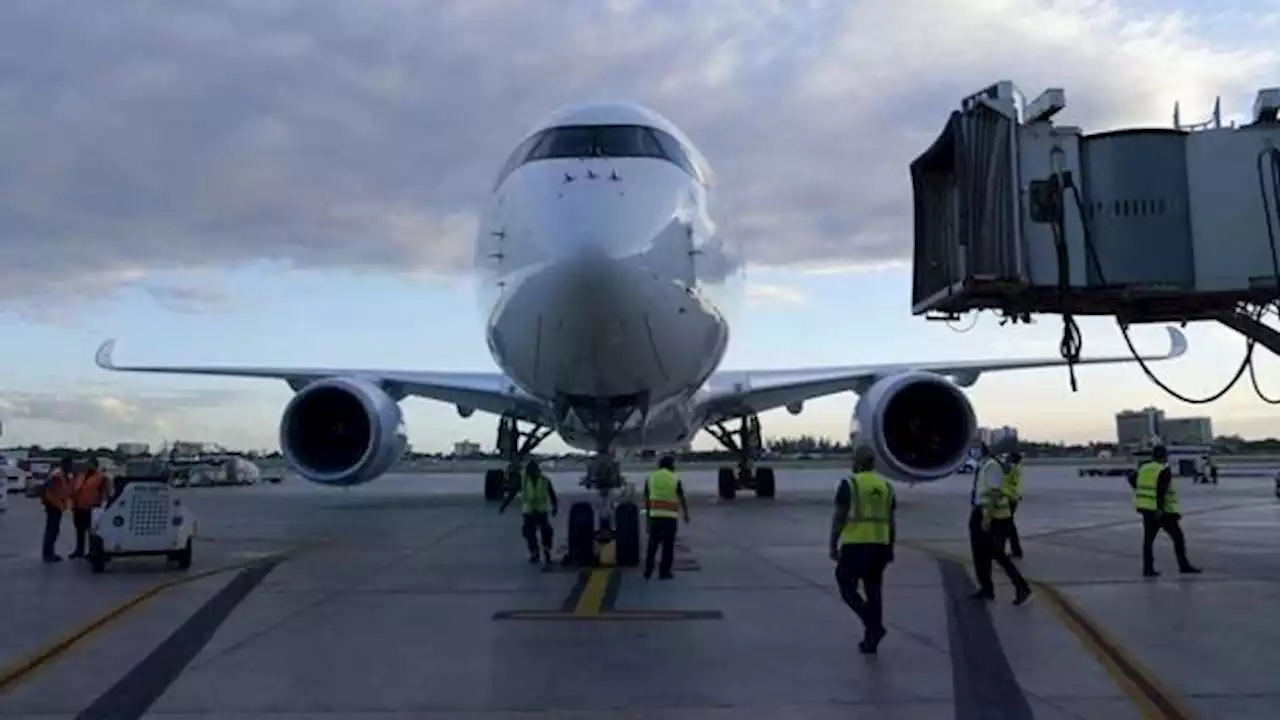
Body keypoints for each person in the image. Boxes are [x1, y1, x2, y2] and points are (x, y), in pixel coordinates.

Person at [830, 445, 896, 654]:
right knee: (874, 591)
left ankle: (873, 625)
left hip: (857, 544)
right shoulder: (886, 486)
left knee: (845, 584)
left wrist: (833, 543)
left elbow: (839, 516)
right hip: (881, 545)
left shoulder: (850, 484)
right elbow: (891, 521)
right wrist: (890, 547)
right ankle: (871, 640)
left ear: (857, 462)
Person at [969, 443, 1031, 605]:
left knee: (997, 554)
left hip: (992, 515)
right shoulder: (985, 465)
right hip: (980, 510)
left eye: (974, 448)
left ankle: (1022, 587)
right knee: (980, 553)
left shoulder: (992, 466)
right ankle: (987, 588)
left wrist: (987, 517)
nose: (971, 452)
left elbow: (995, 492)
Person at [1134, 445, 1201, 577]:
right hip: (1162, 512)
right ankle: (1184, 565)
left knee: (1148, 540)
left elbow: (1132, 478)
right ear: (1164, 456)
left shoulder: (1144, 468)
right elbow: (1161, 491)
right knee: (1178, 538)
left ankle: (1148, 569)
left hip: (1146, 509)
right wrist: (1160, 509)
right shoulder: (1163, 470)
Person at [498, 460, 559, 567]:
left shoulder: (544, 480)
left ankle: (546, 552)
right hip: (529, 511)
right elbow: (512, 493)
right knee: (530, 534)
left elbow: (552, 494)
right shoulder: (523, 481)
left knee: (545, 532)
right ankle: (535, 552)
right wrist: (504, 505)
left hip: (541, 511)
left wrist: (555, 507)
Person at [643, 454, 689, 580]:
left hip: (655, 515)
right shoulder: (675, 478)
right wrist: (685, 513)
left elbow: (647, 499)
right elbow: (681, 497)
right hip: (670, 517)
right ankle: (664, 572)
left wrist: (648, 516)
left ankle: (648, 570)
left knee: (653, 544)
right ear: (671, 465)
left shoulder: (651, 478)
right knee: (668, 546)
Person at [69, 458, 110, 559]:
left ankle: (92, 551)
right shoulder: (81, 475)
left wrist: (105, 504)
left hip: (92, 508)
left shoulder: (101, 477)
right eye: (87, 464)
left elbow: (106, 491)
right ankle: (79, 550)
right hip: (78, 506)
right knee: (79, 530)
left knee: (92, 531)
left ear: (95, 466)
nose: (87, 466)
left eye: (89, 464)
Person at [39, 458, 75, 563]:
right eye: (70, 465)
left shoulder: (63, 474)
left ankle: (50, 553)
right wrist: (47, 499)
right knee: (52, 530)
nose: (71, 468)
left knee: (53, 530)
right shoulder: (57, 474)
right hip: (53, 505)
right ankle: (48, 554)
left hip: (57, 505)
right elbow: (46, 485)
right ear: (65, 465)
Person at [1003, 451, 1025, 559]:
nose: (1006, 459)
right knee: (1008, 524)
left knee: (1007, 525)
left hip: (1009, 497)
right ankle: (1015, 549)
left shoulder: (1011, 469)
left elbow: (1004, 474)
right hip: (1013, 497)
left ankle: (1015, 549)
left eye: (1008, 457)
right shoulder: (1016, 468)